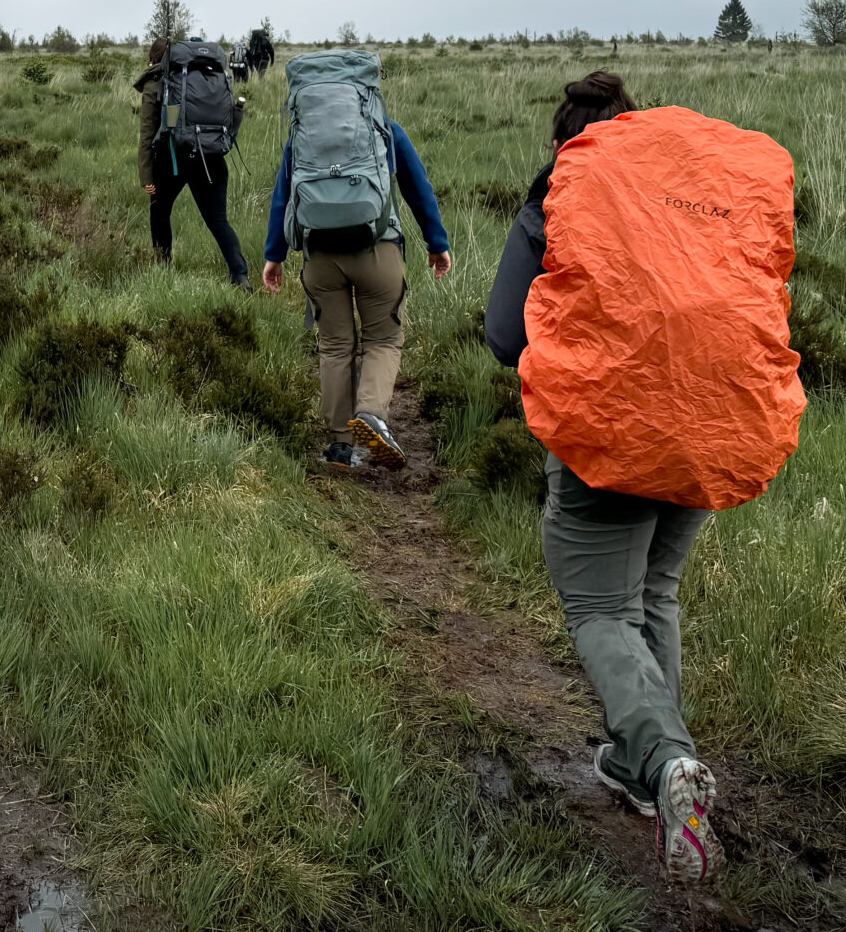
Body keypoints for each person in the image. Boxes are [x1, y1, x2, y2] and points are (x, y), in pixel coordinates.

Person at [485, 70, 750, 882]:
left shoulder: (560, 200)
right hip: (712, 428)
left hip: (609, 438)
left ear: (567, 140)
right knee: (656, 594)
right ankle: (644, 773)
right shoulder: (696, 205)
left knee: (602, 606)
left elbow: (503, 333)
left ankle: (669, 765)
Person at [259, 58, 451, 468]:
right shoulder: (384, 129)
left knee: (334, 346)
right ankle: (371, 413)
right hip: (377, 249)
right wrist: (438, 243)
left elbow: (283, 197)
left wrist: (274, 256)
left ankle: (340, 446)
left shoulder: (301, 137)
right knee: (383, 339)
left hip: (320, 256)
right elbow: (418, 187)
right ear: (366, 93)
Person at [137, 38, 250, 285]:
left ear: (155, 59)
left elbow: (147, 133)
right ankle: (240, 276)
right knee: (219, 221)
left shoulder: (157, 83)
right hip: (211, 155)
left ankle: (163, 271)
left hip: (173, 159)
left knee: (159, 211)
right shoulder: (209, 77)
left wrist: (146, 175)